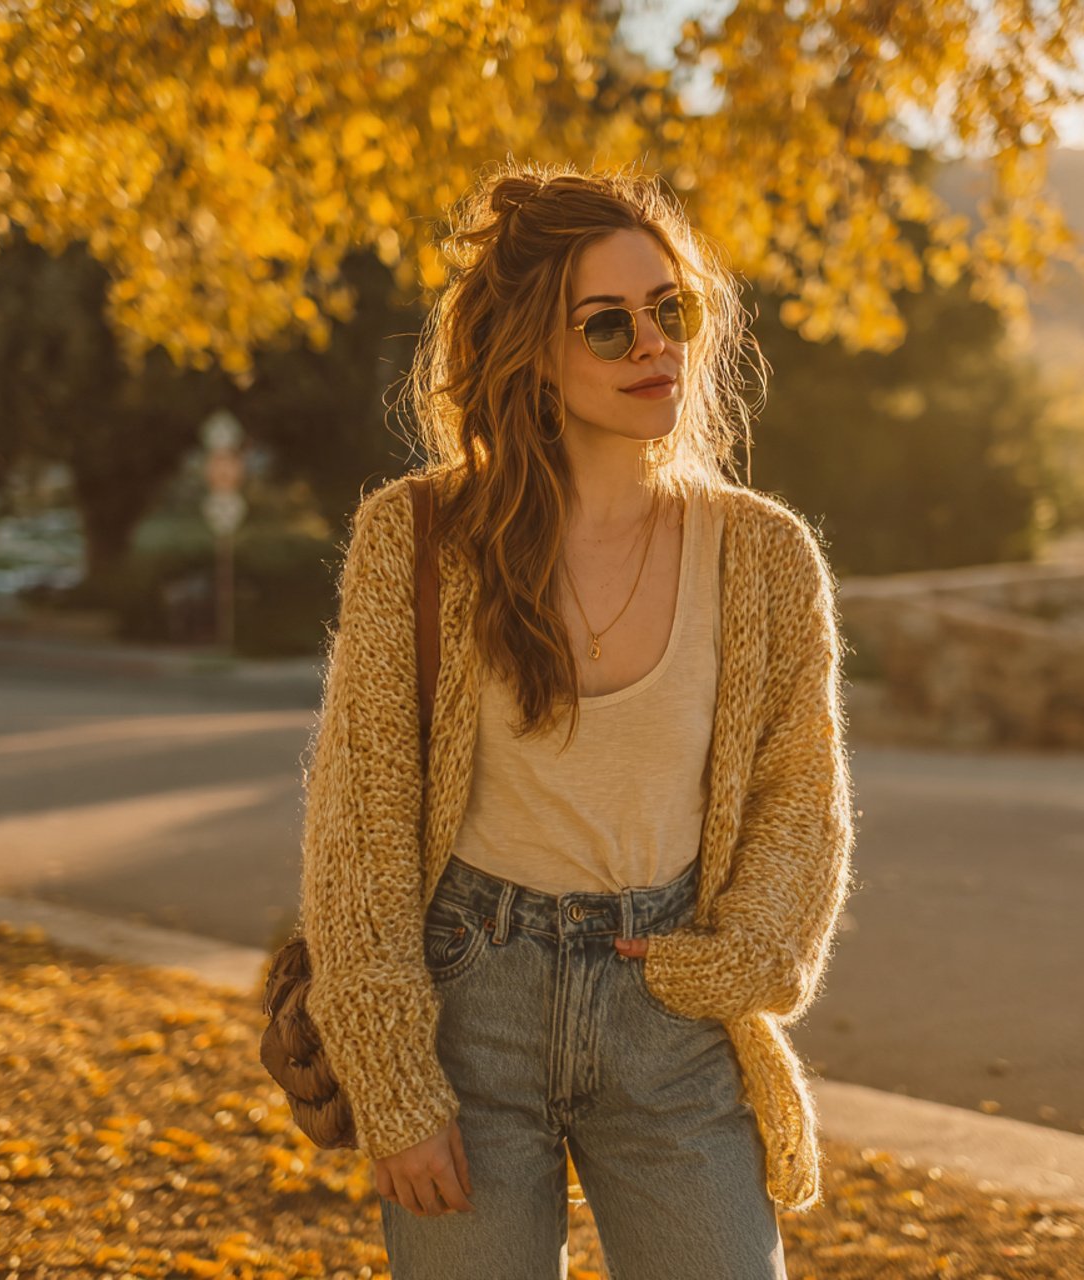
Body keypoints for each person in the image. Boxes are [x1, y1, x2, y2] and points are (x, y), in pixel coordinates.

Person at [298, 160, 856, 1280]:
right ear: (531, 355)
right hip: (468, 1003)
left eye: (672, 311)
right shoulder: (415, 538)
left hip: (669, 1014)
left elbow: (801, 794)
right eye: (607, 326)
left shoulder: (761, 554)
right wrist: (396, 1081)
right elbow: (357, 829)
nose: (654, 345)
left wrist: (735, 960)